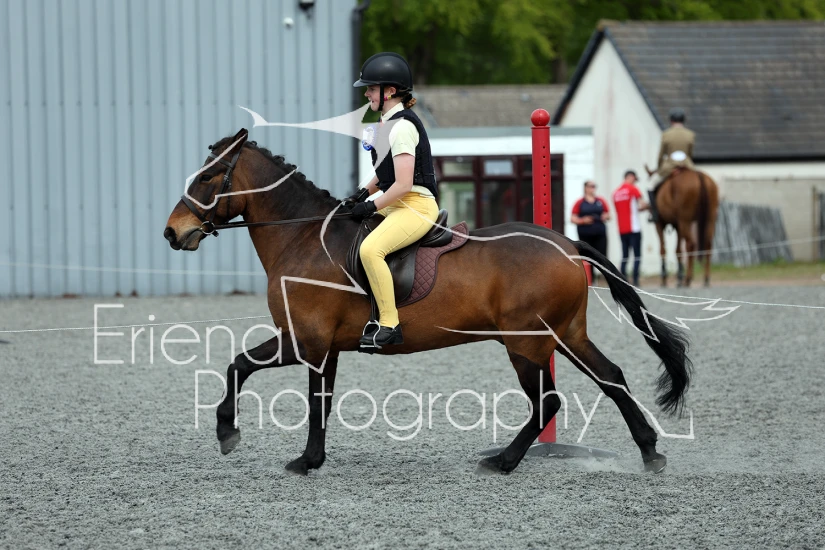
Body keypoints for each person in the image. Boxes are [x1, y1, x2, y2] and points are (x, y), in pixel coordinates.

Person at [346, 52, 439, 350]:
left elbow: (403, 184)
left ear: (390, 91)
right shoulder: (387, 124)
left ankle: (389, 325)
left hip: (415, 207)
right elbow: (385, 171)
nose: (367, 94)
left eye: (371, 89)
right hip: (398, 204)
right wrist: (362, 193)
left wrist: (371, 205)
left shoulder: (401, 128)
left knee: (371, 250)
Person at [648, 108, 696, 223]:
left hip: (669, 166)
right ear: (683, 120)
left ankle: (654, 213)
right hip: (687, 164)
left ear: (671, 121)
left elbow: (661, 154)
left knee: (651, 185)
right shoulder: (690, 134)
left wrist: (660, 167)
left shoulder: (666, 134)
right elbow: (690, 154)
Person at [612, 170, 649, 287]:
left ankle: (623, 280)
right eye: (634, 179)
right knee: (637, 255)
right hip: (634, 228)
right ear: (631, 177)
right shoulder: (633, 189)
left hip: (622, 228)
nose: (635, 182)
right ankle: (636, 279)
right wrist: (649, 206)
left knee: (625, 255)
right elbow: (642, 204)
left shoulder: (616, 193)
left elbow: (623, 210)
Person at [571, 181, 610, 282]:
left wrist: (605, 216)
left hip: (600, 233)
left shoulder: (600, 201)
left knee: (602, 256)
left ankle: (604, 278)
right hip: (585, 234)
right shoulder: (580, 202)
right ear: (585, 188)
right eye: (591, 186)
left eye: (594, 186)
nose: (593, 188)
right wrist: (583, 220)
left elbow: (608, 214)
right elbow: (573, 218)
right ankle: (590, 279)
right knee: (587, 257)